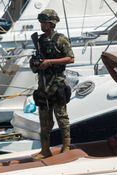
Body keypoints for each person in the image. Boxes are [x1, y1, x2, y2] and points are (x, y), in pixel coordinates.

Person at [31, 9, 74, 160]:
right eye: (41, 22)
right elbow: (35, 66)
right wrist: (36, 63)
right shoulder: (39, 41)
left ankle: (66, 146)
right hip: (43, 86)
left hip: (57, 85)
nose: (41, 25)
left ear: (51, 23)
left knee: (62, 118)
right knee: (44, 121)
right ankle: (45, 149)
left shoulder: (60, 39)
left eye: (44, 22)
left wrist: (50, 62)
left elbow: (70, 58)